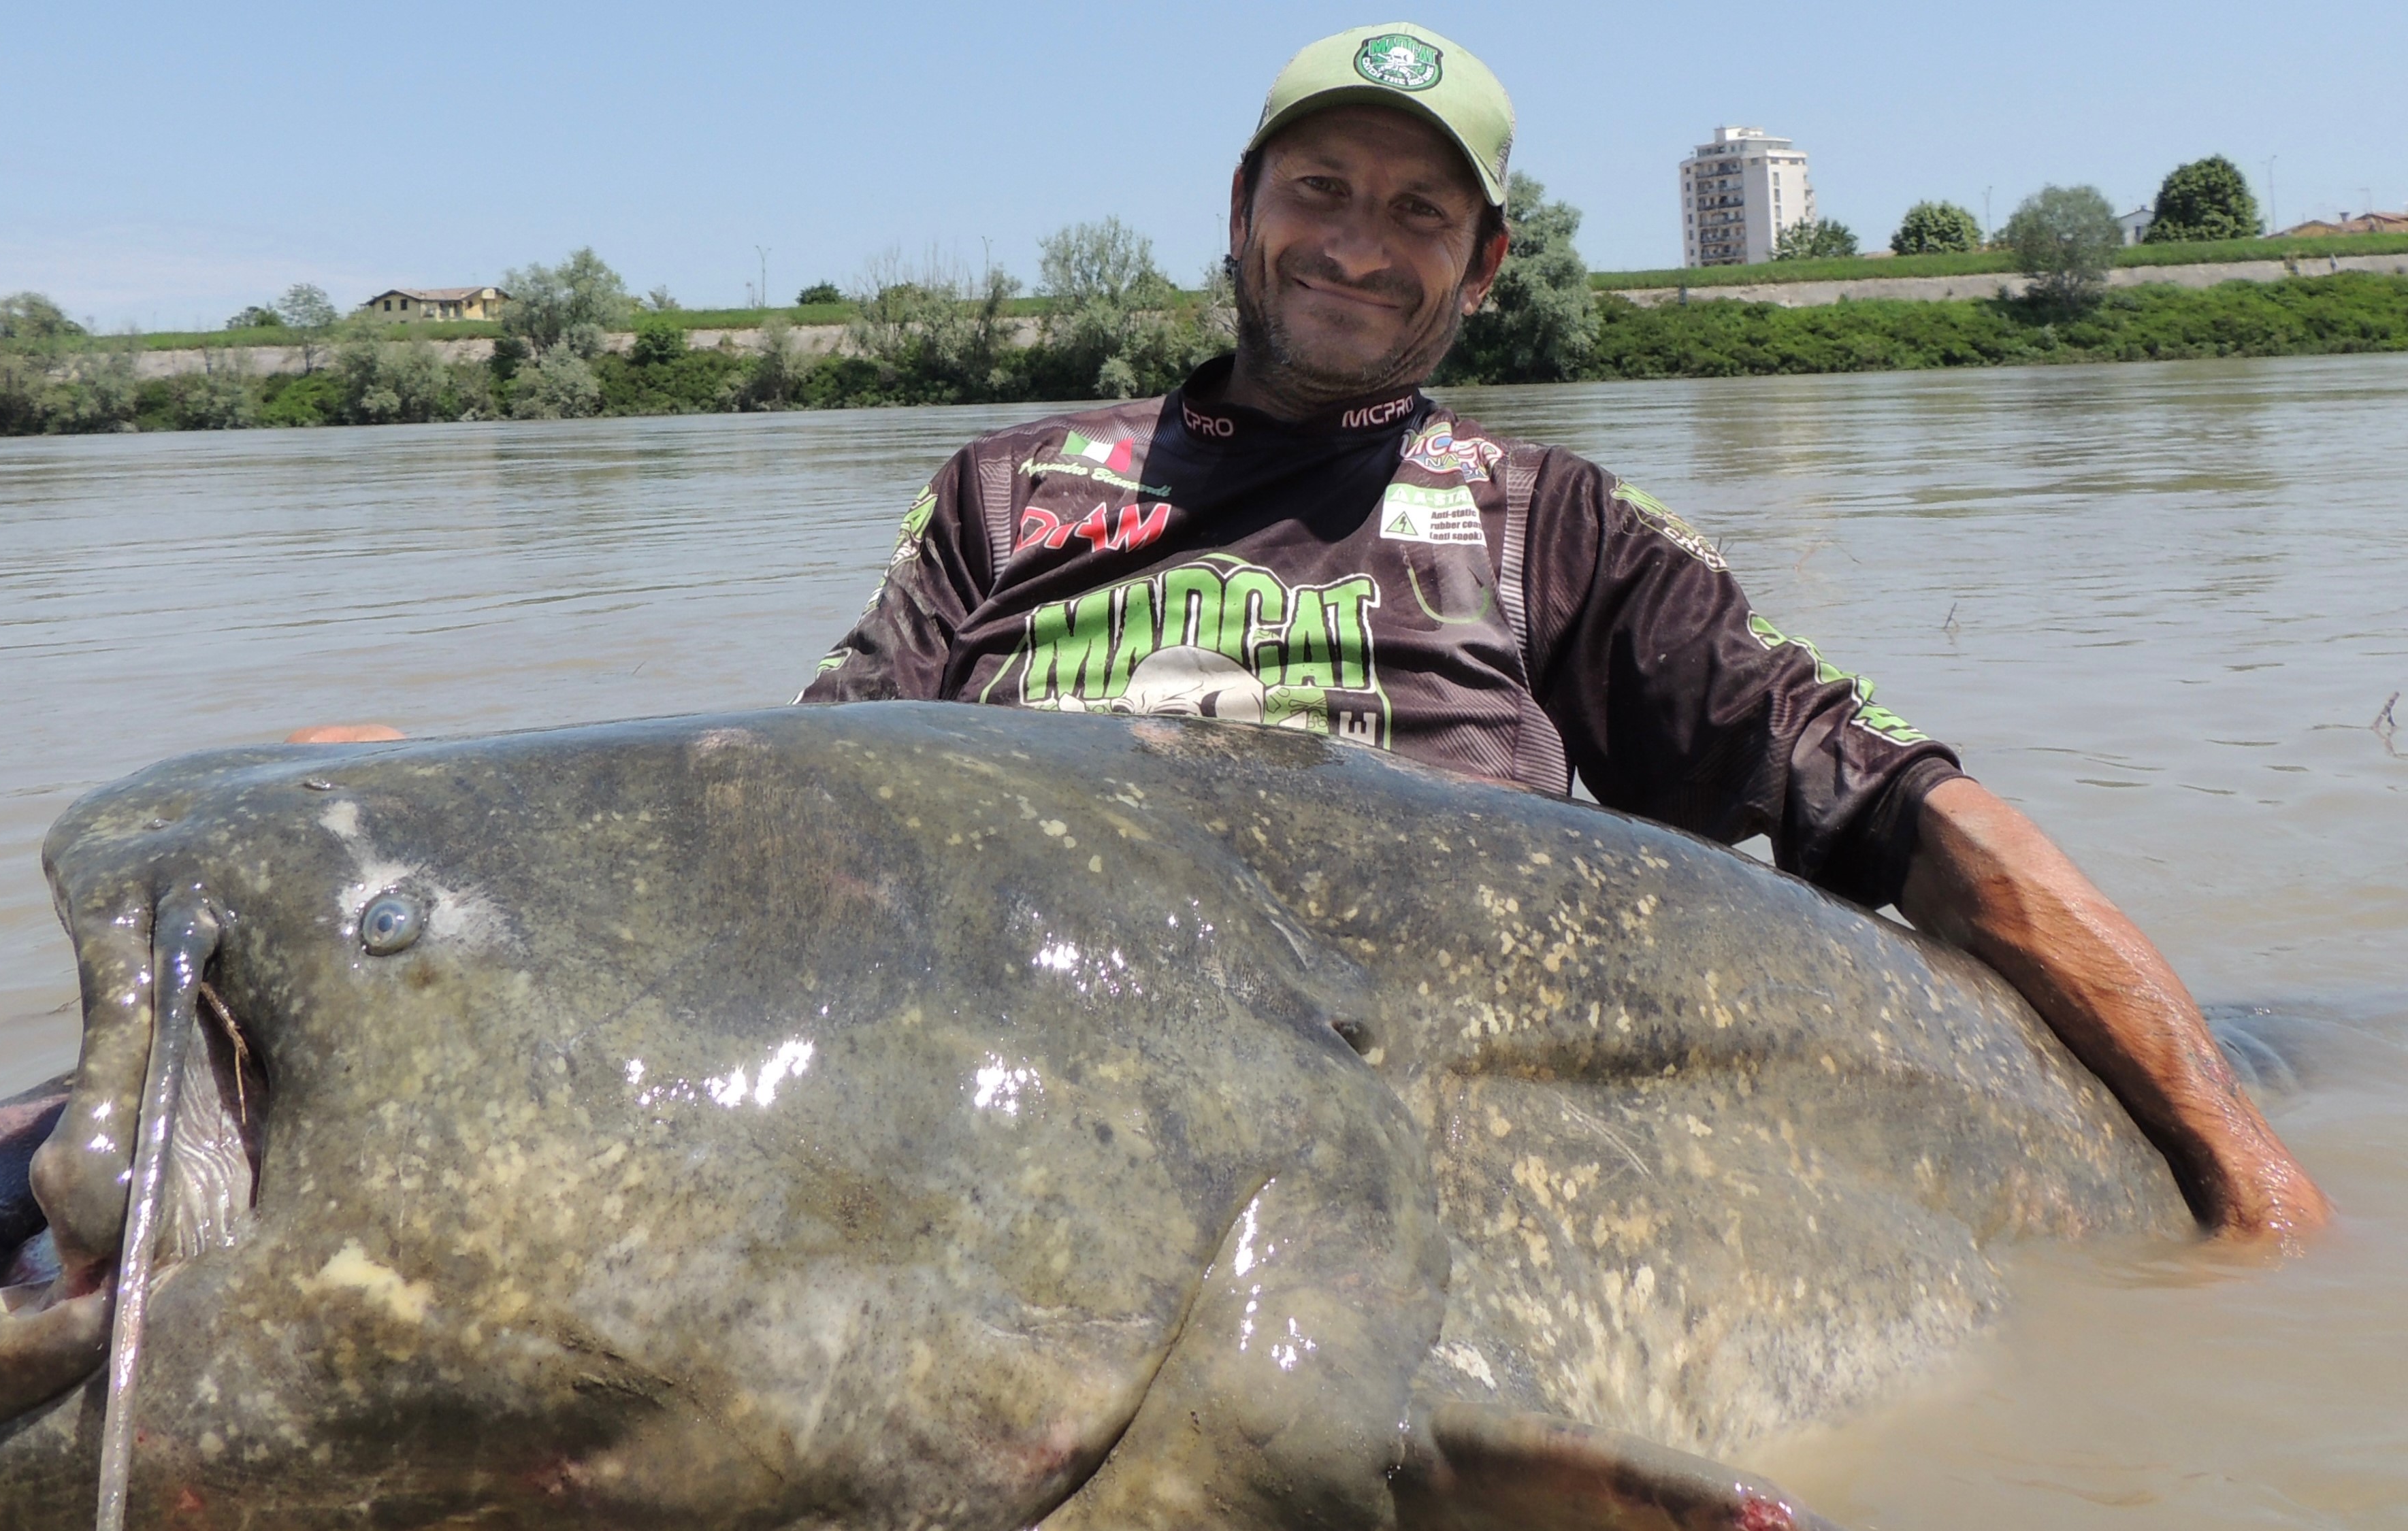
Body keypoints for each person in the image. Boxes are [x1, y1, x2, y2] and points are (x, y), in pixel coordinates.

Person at [792, 23, 2328, 1245]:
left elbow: (1897, 808)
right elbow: (798, 817)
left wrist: (2234, 1155)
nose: (1355, 242)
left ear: (1483, 264)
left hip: (1417, 1127)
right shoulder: (1007, 490)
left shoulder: (1552, 522)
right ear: (1242, 211)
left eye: (1418, 211)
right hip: (1021, 1082)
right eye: (1317, 187)